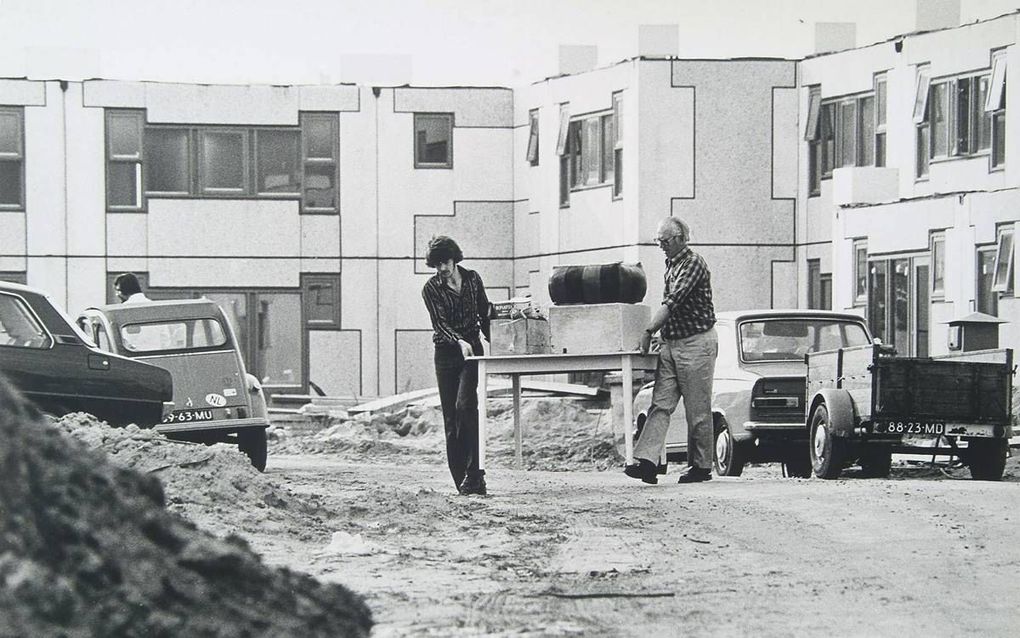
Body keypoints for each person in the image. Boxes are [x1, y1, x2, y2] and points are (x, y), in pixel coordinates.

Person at [625, 216, 718, 485]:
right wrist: (660, 335)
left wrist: (648, 331)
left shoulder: (693, 263)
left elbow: (673, 301)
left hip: (696, 343)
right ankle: (648, 462)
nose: (662, 246)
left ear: (680, 239)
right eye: (659, 241)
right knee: (660, 403)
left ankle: (701, 466)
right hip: (672, 342)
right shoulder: (672, 264)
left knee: (697, 408)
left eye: (665, 241)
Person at [421, 236, 491, 495]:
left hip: (472, 351)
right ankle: (462, 480)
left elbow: (484, 313)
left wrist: (501, 337)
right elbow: (439, 324)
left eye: (445, 263)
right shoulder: (431, 289)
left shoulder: (473, 279)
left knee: (466, 407)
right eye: (436, 265)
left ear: (454, 258)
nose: (441, 269)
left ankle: (475, 474)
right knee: (451, 419)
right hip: (447, 353)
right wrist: (458, 341)